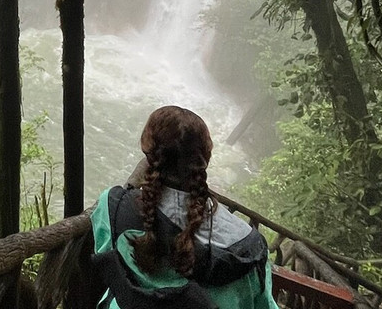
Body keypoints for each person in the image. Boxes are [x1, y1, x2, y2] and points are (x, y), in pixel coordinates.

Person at [91, 106, 278, 309]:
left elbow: (110, 261)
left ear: (149, 154)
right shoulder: (248, 248)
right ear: (205, 159)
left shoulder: (112, 206)